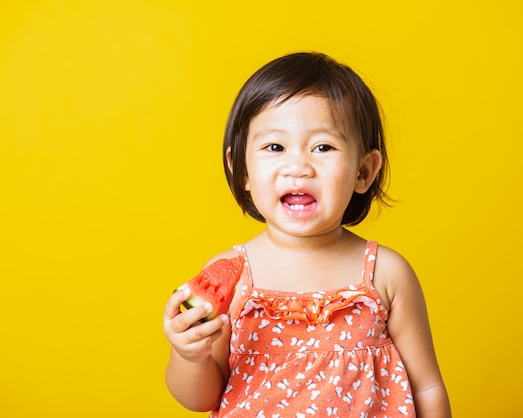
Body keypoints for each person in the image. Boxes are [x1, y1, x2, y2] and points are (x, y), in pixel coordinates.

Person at [163, 52, 451, 417]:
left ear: (364, 171)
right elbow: (202, 399)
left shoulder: (386, 273)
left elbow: (426, 386)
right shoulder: (232, 274)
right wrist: (189, 354)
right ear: (243, 170)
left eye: (323, 147)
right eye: (275, 147)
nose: (298, 167)